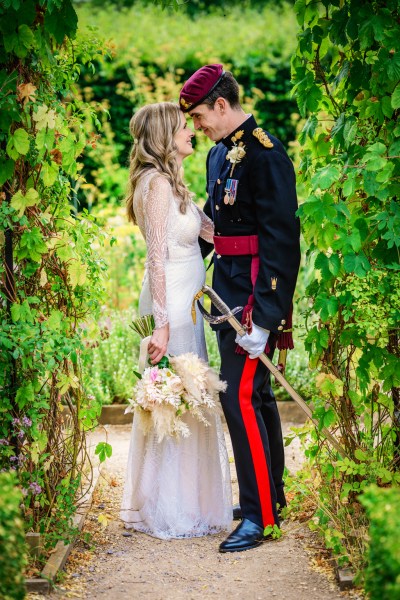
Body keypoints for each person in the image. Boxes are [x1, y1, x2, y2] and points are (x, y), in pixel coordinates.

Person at [179, 65, 301, 552]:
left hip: (253, 295)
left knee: (241, 398)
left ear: (223, 106)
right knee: (259, 397)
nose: (198, 126)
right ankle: (270, 497)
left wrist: (267, 317)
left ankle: (259, 517)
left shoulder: (267, 157)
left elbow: (282, 241)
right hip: (226, 288)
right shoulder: (215, 154)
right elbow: (220, 231)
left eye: (201, 115)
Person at [120, 102, 232, 539]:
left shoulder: (174, 183)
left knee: (190, 395)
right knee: (176, 398)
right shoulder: (157, 184)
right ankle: (172, 505)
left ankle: (191, 498)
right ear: (165, 136)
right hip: (170, 302)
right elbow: (156, 258)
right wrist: (162, 325)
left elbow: (209, 234)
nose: (192, 130)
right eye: (185, 126)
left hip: (188, 298)